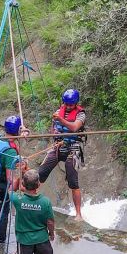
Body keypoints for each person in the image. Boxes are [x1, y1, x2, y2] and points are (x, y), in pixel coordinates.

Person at [38, 88, 86, 220]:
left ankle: (78, 214)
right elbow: (53, 128)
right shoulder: (59, 112)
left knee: (73, 180)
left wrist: (61, 120)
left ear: (76, 103)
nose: (69, 107)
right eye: (67, 104)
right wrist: (55, 132)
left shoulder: (81, 114)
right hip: (59, 145)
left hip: (74, 147)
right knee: (41, 172)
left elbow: (75, 128)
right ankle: (31, 201)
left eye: (71, 104)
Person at [11, 169, 55, 254]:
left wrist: (18, 175)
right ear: (39, 184)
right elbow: (50, 221)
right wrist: (51, 234)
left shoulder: (17, 199)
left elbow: (10, 190)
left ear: (23, 185)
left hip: (24, 241)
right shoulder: (45, 202)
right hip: (42, 240)